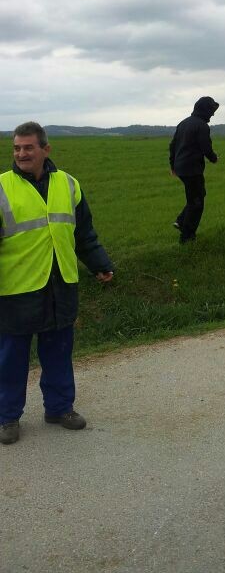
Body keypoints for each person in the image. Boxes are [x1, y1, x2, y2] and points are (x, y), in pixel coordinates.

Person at [0, 122, 114, 446]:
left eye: (28, 147)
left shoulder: (69, 184)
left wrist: (100, 264)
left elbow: (84, 234)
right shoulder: (2, 187)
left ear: (45, 150)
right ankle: (7, 417)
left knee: (59, 352)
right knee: (11, 358)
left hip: (60, 283)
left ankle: (60, 408)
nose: (21, 153)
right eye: (17, 148)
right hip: (15, 289)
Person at [169, 96, 219, 244]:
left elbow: (173, 146)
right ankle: (187, 238)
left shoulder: (183, 123)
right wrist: (214, 158)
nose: (213, 114)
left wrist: (172, 166)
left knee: (197, 196)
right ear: (205, 110)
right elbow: (206, 148)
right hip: (192, 169)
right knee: (197, 203)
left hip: (181, 168)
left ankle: (181, 220)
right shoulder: (202, 126)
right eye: (211, 111)